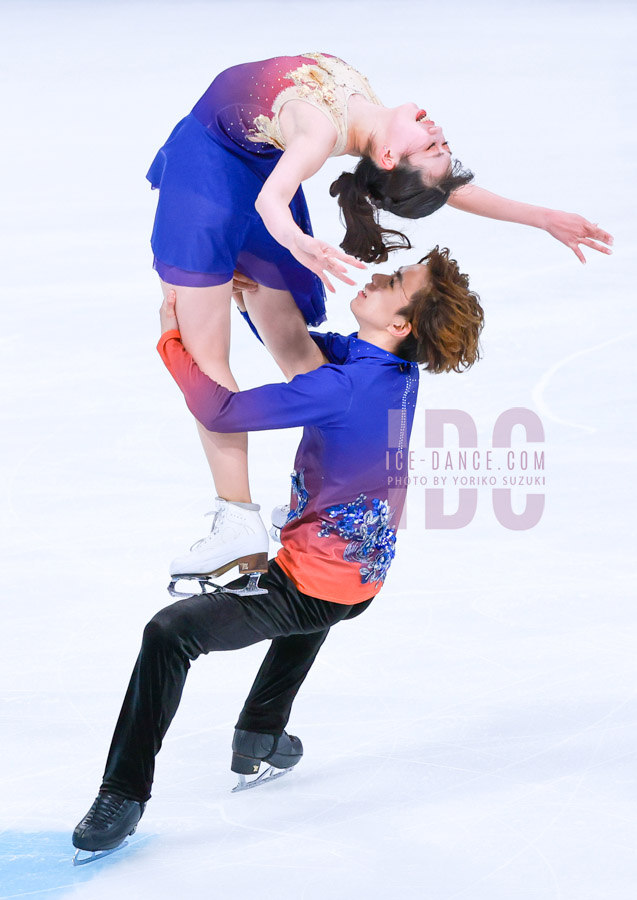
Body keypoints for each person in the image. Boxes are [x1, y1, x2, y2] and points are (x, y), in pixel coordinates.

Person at [72, 247, 484, 863]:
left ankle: (122, 794)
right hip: (363, 580)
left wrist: (171, 341)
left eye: (393, 281)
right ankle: (260, 734)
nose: (376, 275)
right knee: (316, 611)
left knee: (168, 635)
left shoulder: (346, 386)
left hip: (316, 582)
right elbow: (308, 349)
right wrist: (252, 295)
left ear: (402, 325)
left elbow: (220, 410)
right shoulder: (391, 370)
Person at [148, 51, 613, 584]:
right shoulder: (371, 126)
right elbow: (446, 186)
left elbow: (275, 200)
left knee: (207, 349)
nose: (439, 134)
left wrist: (298, 242)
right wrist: (543, 216)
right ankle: (328, 498)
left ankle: (237, 524)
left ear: (389, 155)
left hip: (209, 168)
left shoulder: (321, 132)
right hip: (260, 170)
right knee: (290, 340)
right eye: (441, 146)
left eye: (432, 146)